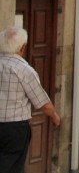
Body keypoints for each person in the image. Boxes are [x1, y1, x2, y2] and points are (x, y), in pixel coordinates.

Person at [0, 26, 60, 173]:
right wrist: (54, 116)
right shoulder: (25, 70)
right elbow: (44, 104)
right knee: (12, 168)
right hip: (14, 128)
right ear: (23, 47)